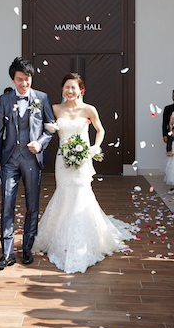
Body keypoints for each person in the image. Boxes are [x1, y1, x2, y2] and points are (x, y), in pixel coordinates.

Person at [32, 73, 135, 273]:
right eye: (66, 87)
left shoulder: (89, 109)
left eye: (74, 87)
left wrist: (95, 147)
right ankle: (59, 239)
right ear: (62, 89)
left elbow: (100, 130)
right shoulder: (54, 109)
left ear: (81, 90)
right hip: (63, 160)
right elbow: (43, 127)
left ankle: (81, 242)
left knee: (81, 194)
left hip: (82, 160)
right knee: (64, 193)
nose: (70, 91)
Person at [0, 57, 55, 269]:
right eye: (20, 79)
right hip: (9, 160)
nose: (24, 83)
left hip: (31, 160)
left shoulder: (42, 98)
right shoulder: (5, 100)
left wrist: (42, 143)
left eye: (27, 79)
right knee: (7, 204)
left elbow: (50, 127)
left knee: (32, 206)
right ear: (13, 79)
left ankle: (27, 247)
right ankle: (7, 253)